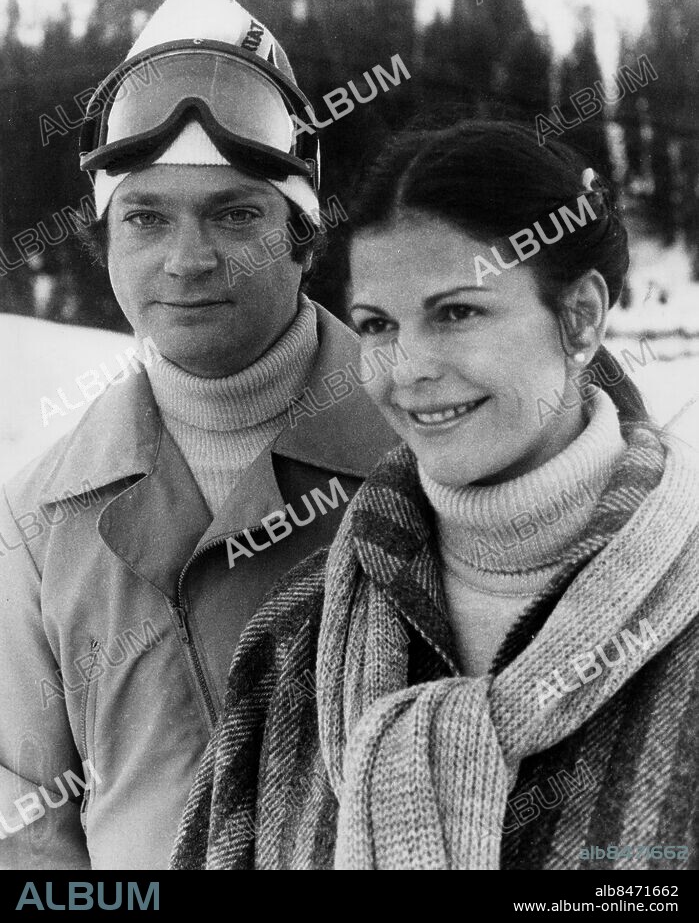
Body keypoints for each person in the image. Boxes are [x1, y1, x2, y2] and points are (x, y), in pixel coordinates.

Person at [171, 119, 699, 871]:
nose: (407, 368)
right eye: (378, 325)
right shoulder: (294, 645)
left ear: (578, 316)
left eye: (455, 312)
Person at [0, 0, 397, 870]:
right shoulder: (37, 519)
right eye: (145, 217)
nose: (187, 259)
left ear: (302, 235)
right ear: (108, 242)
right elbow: (30, 842)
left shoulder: (428, 441)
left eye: (235, 214)